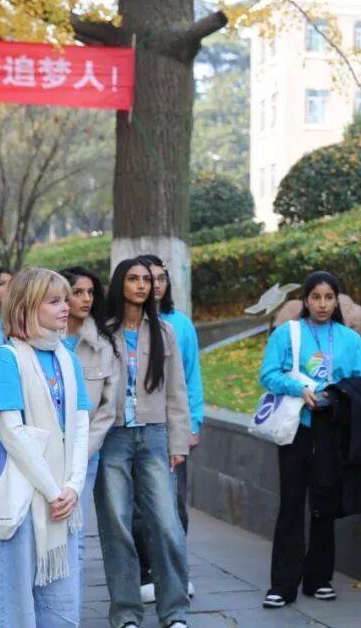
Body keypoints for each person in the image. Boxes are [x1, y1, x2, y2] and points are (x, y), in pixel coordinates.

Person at [258, 270, 361, 609]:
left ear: (337, 301)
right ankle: (282, 585)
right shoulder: (287, 334)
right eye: (316, 297)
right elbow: (268, 374)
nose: (323, 304)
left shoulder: (349, 339)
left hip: (332, 428)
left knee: (324, 503)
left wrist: (337, 394)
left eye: (329, 298)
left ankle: (319, 579)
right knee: (291, 504)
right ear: (306, 300)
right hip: (296, 428)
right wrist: (299, 389)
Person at [0, 268, 91, 628]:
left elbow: (80, 425)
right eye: (54, 301)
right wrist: (54, 490)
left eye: (65, 299)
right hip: (21, 498)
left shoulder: (67, 357)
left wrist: (73, 486)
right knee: (11, 604)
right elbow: (12, 433)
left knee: (61, 602)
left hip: (62, 498)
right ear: (27, 306)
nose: (66, 307)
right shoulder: (6, 358)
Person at [96, 258, 190, 628]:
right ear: (120, 283)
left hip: (154, 435)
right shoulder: (101, 331)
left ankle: (175, 612)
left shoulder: (164, 331)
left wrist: (178, 443)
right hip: (112, 437)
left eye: (147, 280)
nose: (141, 285)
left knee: (167, 524)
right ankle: (126, 613)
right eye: (133, 278)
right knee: (117, 527)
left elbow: (177, 391)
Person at [139, 254, 203, 600]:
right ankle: (145, 572)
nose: (155, 285)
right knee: (138, 506)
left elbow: (191, 379)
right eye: (148, 278)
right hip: (135, 428)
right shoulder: (123, 324)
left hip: (173, 427)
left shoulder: (180, 324)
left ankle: (177, 571)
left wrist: (193, 423)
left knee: (175, 504)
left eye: (161, 278)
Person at [58, 266, 119, 591]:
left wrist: (83, 450)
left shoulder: (103, 343)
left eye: (91, 292)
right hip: (44, 452)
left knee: (75, 532)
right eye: (77, 292)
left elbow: (108, 409)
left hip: (84, 455)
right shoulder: (42, 339)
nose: (86, 299)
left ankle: (70, 606)